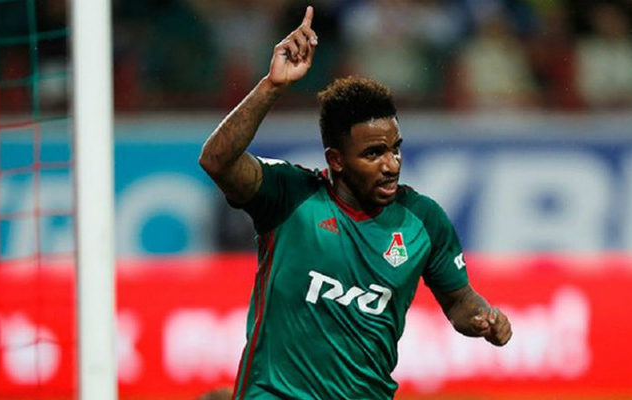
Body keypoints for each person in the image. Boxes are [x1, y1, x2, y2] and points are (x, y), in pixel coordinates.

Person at [199, 6, 512, 399]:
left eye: (395, 149)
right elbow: (217, 161)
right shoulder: (290, 194)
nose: (391, 164)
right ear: (336, 160)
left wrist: (484, 317)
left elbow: (459, 300)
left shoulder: (422, 219)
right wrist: (271, 87)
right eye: (373, 154)